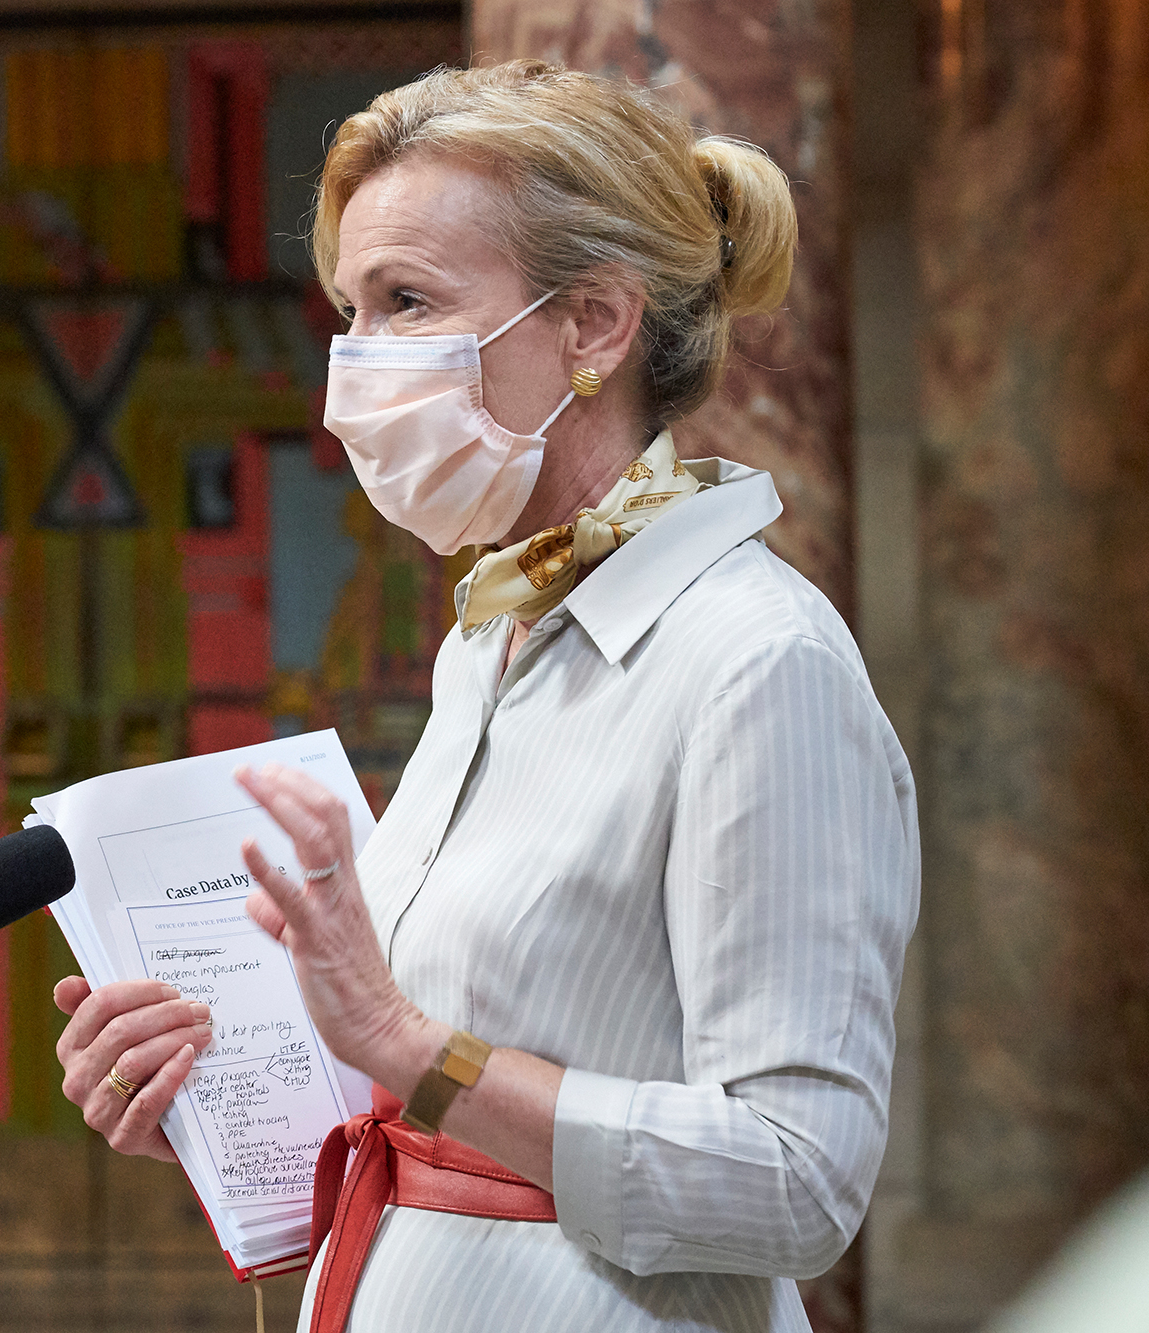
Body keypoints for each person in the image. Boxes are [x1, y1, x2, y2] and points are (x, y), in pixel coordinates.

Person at [52, 59, 918, 1332]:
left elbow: (796, 1180)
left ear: (592, 327)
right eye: (348, 310)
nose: (356, 366)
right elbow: (441, 1115)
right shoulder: (494, 640)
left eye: (407, 300)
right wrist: (211, 1099)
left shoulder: (753, 657)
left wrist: (407, 1046)